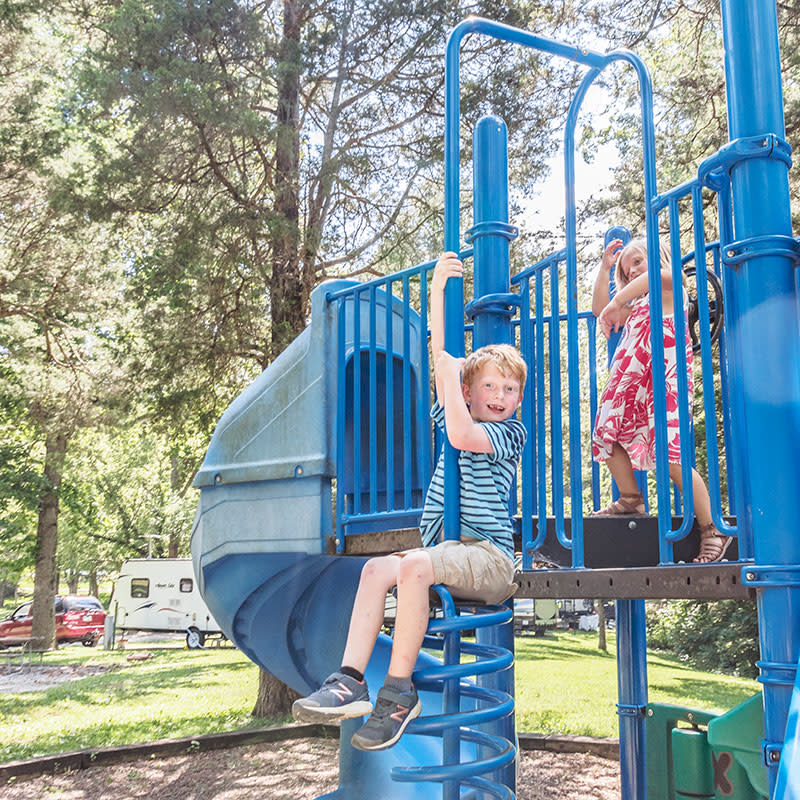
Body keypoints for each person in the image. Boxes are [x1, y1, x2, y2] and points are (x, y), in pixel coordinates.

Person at [292, 251, 528, 751]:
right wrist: (438, 292)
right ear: (470, 391)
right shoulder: (455, 416)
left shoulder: (509, 433)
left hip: (490, 558)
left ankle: (399, 694)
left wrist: (450, 372)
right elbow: (437, 361)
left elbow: (464, 432)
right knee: (376, 570)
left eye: (510, 388)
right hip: (449, 551)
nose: (501, 395)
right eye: (490, 385)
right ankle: (351, 680)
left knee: (415, 567)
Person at [591, 236, 732, 563]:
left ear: (659, 257)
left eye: (639, 261)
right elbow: (601, 310)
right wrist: (605, 269)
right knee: (605, 437)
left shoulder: (671, 290)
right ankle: (630, 498)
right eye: (628, 271)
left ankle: (712, 528)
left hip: (664, 383)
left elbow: (662, 276)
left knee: (672, 456)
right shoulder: (638, 303)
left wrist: (618, 299)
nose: (634, 270)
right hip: (629, 383)